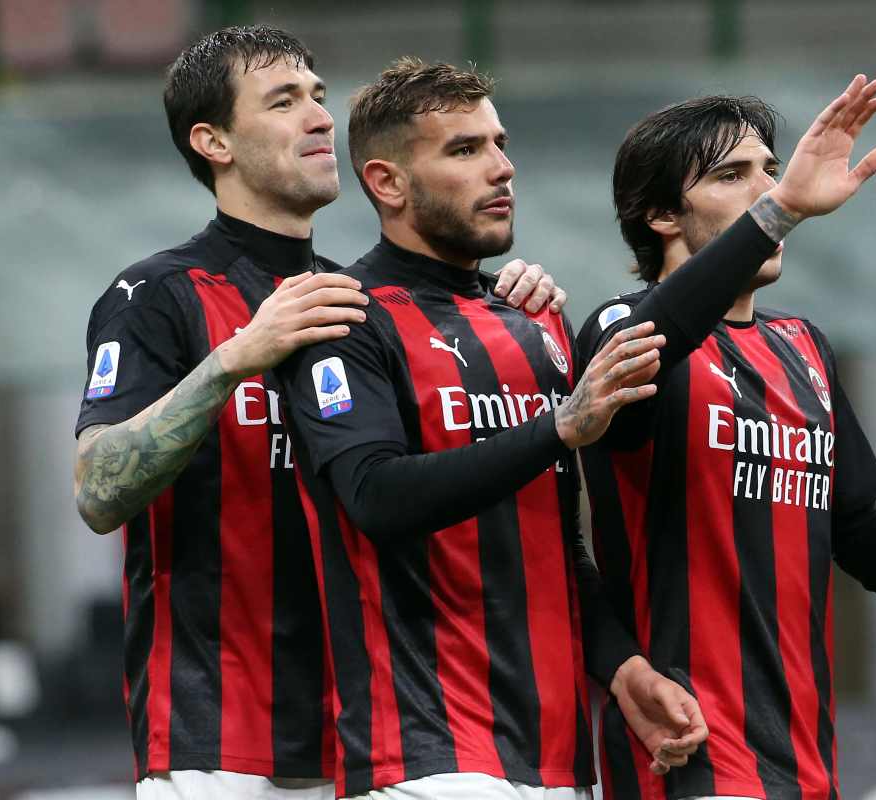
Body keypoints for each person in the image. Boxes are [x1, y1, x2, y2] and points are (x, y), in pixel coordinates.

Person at [72, 27, 564, 800]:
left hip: (378, 736)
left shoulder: (364, 303)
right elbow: (98, 490)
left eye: (319, 97)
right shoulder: (156, 295)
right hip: (220, 741)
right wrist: (233, 359)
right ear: (214, 141)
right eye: (284, 100)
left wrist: (497, 305)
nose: (319, 118)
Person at [575, 76, 876, 800]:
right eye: (731, 175)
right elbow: (664, 331)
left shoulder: (802, 343)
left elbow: (856, 530)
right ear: (658, 214)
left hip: (805, 760)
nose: (766, 187)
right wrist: (776, 213)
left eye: (769, 171)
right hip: (686, 756)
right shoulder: (622, 332)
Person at [275, 58, 708, 800]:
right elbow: (374, 497)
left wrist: (625, 667)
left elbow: (558, 541)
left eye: (500, 144)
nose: (503, 169)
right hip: (424, 754)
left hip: (558, 756)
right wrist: (558, 429)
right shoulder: (343, 318)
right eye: (465, 150)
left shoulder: (533, 319)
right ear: (387, 183)